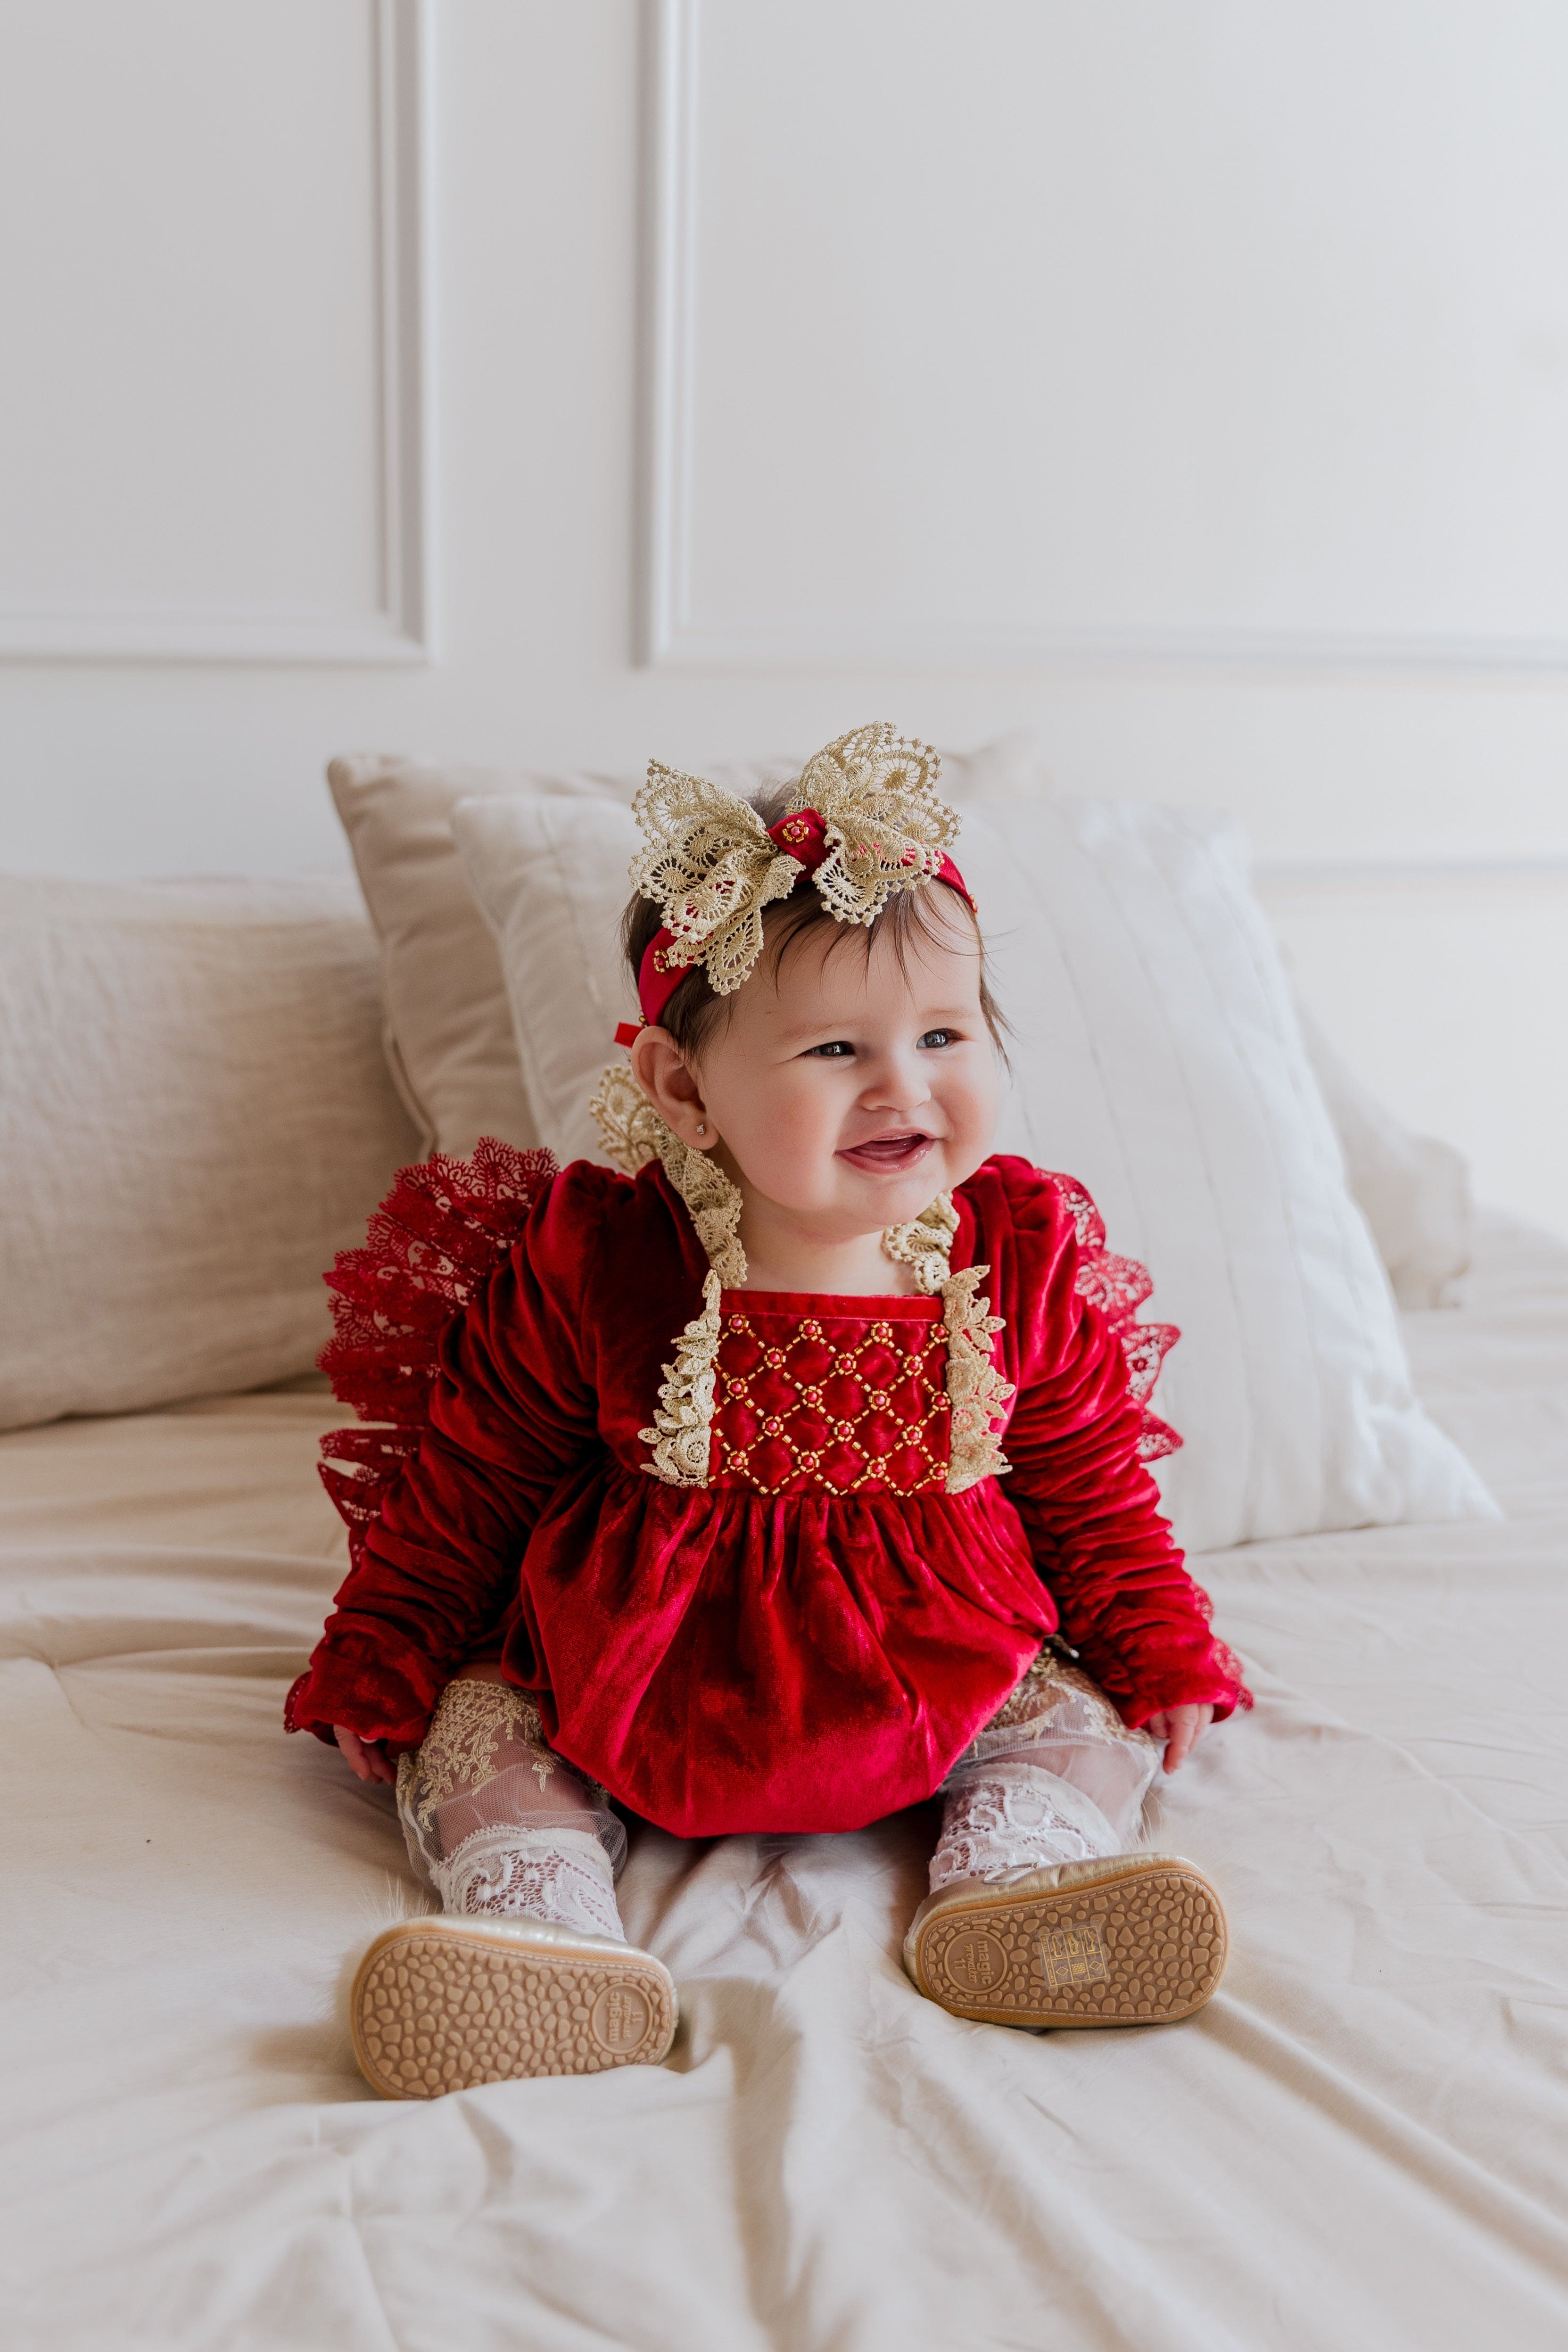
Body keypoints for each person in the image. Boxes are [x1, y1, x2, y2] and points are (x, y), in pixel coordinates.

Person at [287, 723, 1248, 2100]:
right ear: (685, 1091)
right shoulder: (606, 1256)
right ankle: (539, 1928)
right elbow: (476, 1474)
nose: (903, 1085)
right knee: (482, 1740)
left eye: (943, 1033)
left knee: (1079, 1720)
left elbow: (1088, 1480)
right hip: (631, 1673)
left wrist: (1160, 1645)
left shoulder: (1010, 1252)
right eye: (837, 1047)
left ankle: (1016, 1882)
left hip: (942, 1666)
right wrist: (382, 1648)